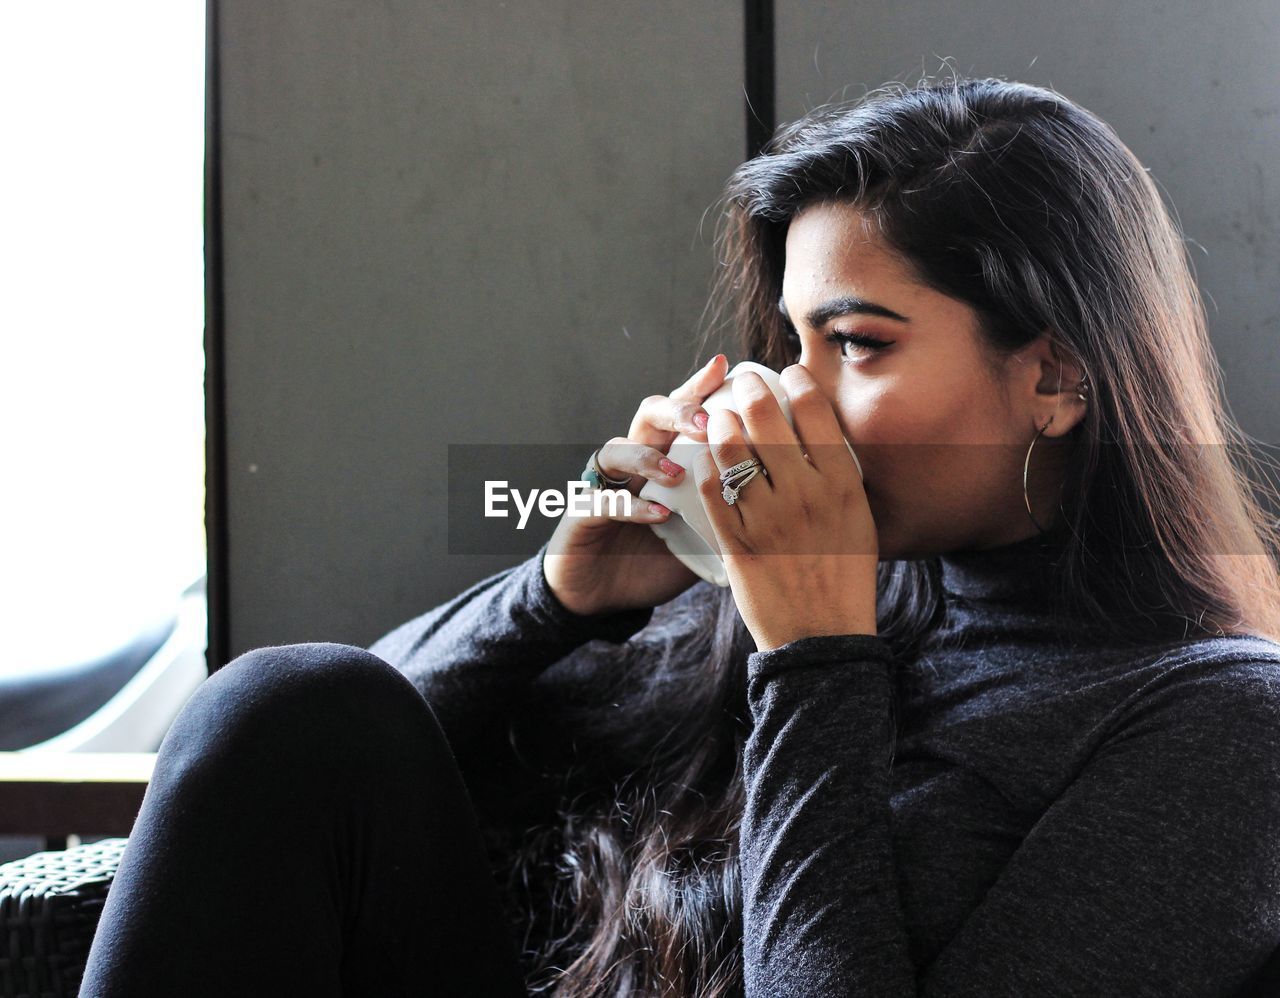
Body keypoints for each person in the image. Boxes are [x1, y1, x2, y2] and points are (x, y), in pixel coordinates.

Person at [80, 75, 1280, 997]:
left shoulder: (1220, 725)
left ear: (1055, 378)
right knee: (287, 696)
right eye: (789, 342)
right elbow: (284, 785)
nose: (789, 398)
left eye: (855, 345)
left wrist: (815, 658)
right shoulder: (773, 591)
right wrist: (559, 593)